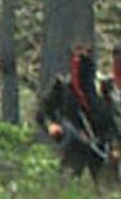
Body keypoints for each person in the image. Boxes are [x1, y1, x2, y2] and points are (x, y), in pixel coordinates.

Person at [36, 42, 116, 181]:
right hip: (75, 144)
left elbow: (114, 118)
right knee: (66, 185)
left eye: (85, 53)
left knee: (109, 190)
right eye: (77, 53)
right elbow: (43, 111)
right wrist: (51, 125)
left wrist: (115, 144)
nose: (80, 58)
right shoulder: (63, 87)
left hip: (102, 146)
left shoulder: (104, 86)